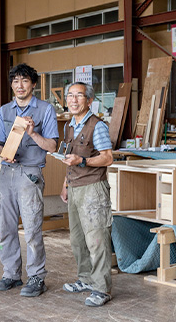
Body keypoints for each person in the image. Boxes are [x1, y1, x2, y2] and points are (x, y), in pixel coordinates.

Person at [0, 63, 59, 297]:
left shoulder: (45, 110)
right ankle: (11, 274)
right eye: (16, 81)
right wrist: (3, 152)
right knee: (5, 227)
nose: (20, 86)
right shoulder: (4, 111)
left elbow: (52, 145)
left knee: (31, 228)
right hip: (6, 173)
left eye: (25, 81)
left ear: (33, 84)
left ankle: (36, 276)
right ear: (11, 84)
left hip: (30, 174)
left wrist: (32, 133)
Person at [59, 81, 113, 307]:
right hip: (75, 186)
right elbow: (69, 158)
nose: (72, 100)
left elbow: (107, 157)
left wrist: (83, 161)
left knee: (96, 239)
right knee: (78, 239)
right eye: (70, 95)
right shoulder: (69, 126)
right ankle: (85, 279)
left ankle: (102, 289)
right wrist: (65, 183)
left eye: (78, 96)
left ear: (89, 100)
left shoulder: (97, 126)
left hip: (93, 189)